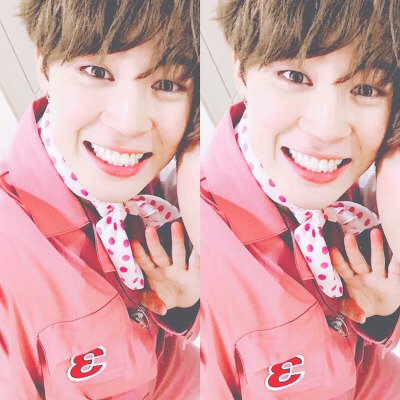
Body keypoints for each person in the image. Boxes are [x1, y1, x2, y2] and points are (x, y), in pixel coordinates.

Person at [0, 1, 199, 399]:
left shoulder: (166, 200)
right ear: (43, 65)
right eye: (95, 72)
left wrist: (184, 308)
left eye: (167, 84)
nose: (128, 122)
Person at [201, 0, 400, 398]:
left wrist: (381, 317)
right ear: (241, 69)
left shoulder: (371, 197)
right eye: (294, 76)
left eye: (365, 89)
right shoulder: (196, 250)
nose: (327, 127)